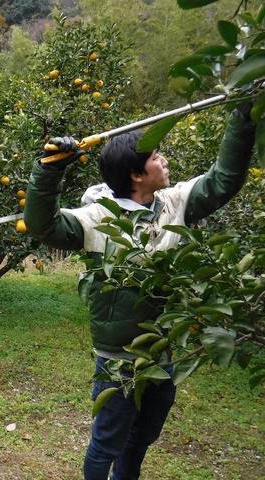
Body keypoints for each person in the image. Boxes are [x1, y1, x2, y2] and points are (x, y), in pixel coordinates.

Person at [24, 103, 257, 480]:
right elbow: (42, 225)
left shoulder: (176, 203)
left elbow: (224, 180)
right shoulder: (97, 217)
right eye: (156, 157)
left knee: (144, 435)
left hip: (161, 352)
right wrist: (48, 170)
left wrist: (243, 117)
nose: (164, 161)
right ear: (136, 174)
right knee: (107, 442)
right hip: (118, 359)